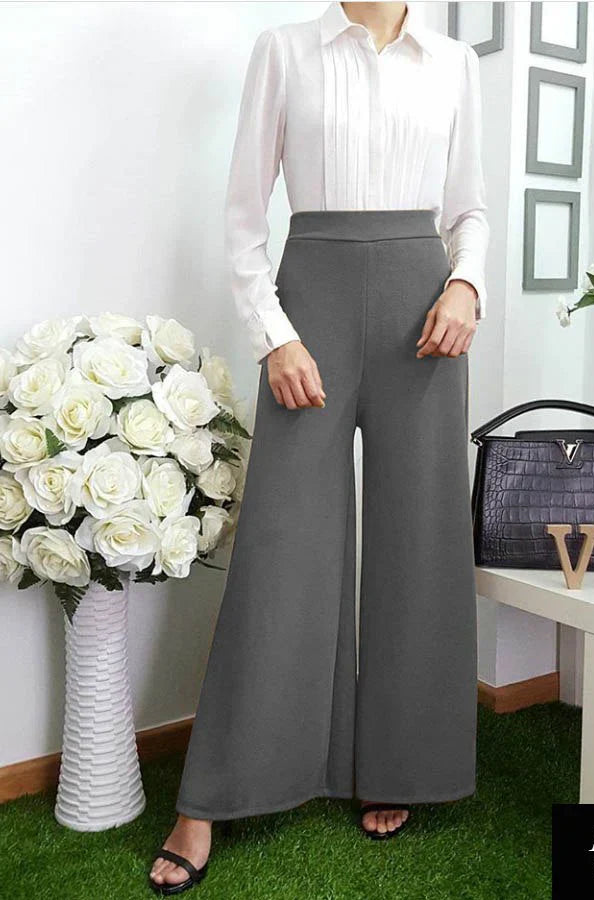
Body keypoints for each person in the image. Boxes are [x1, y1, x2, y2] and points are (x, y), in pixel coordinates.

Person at [149, 1, 489, 893]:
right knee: (282, 544)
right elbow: (242, 214)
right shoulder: (284, 50)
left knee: (420, 540)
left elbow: (470, 209)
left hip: (426, 309)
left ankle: (399, 763)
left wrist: (466, 286)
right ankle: (210, 796)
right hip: (312, 305)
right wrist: (275, 336)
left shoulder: (454, 62)